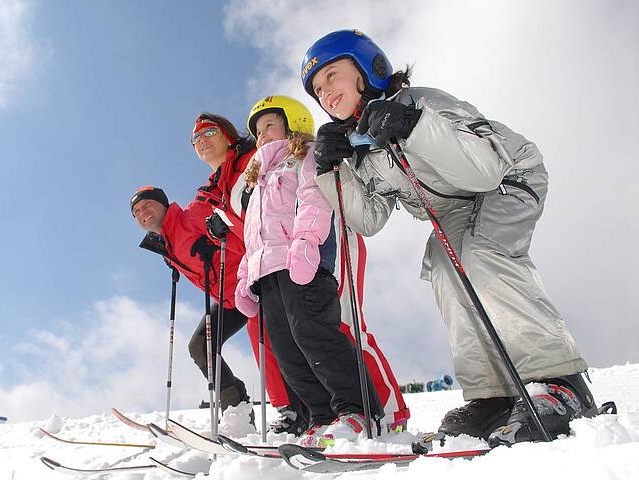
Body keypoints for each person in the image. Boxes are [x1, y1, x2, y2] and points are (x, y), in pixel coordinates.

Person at [300, 29, 596, 446]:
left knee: (481, 254)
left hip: (508, 176)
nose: (325, 92)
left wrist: (412, 126)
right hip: (454, 209)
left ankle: (560, 380)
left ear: (369, 70)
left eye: (332, 75)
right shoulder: (361, 150)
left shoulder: (421, 102)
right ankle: (492, 395)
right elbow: (368, 219)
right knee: (446, 268)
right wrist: (331, 170)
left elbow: (484, 170)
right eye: (317, 89)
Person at [245, 95, 410, 433]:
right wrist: (243, 275)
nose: (261, 136)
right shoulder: (257, 180)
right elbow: (252, 233)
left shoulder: (302, 156)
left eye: (269, 126)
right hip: (267, 274)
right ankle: (323, 418)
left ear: (294, 124)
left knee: (314, 334)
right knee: (286, 349)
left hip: (301, 261)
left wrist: (307, 241)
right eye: (257, 131)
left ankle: (360, 412)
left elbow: (314, 197)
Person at [189, 113, 309, 434]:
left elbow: (266, 207)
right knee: (206, 343)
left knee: (279, 334)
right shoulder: (209, 191)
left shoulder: (250, 162)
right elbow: (187, 225)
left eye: (209, 132)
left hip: (276, 260)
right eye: (195, 138)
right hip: (241, 278)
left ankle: (302, 410)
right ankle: (250, 410)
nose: (201, 140)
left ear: (229, 135)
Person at [131, 186, 253, 416]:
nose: (142, 212)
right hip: (229, 301)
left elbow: (242, 238)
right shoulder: (166, 245)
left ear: (163, 204)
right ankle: (237, 410)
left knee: (279, 348)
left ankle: (306, 412)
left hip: (252, 286)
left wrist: (219, 239)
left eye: (147, 204)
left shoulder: (192, 214)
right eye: (136, 211)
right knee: (200, 346)